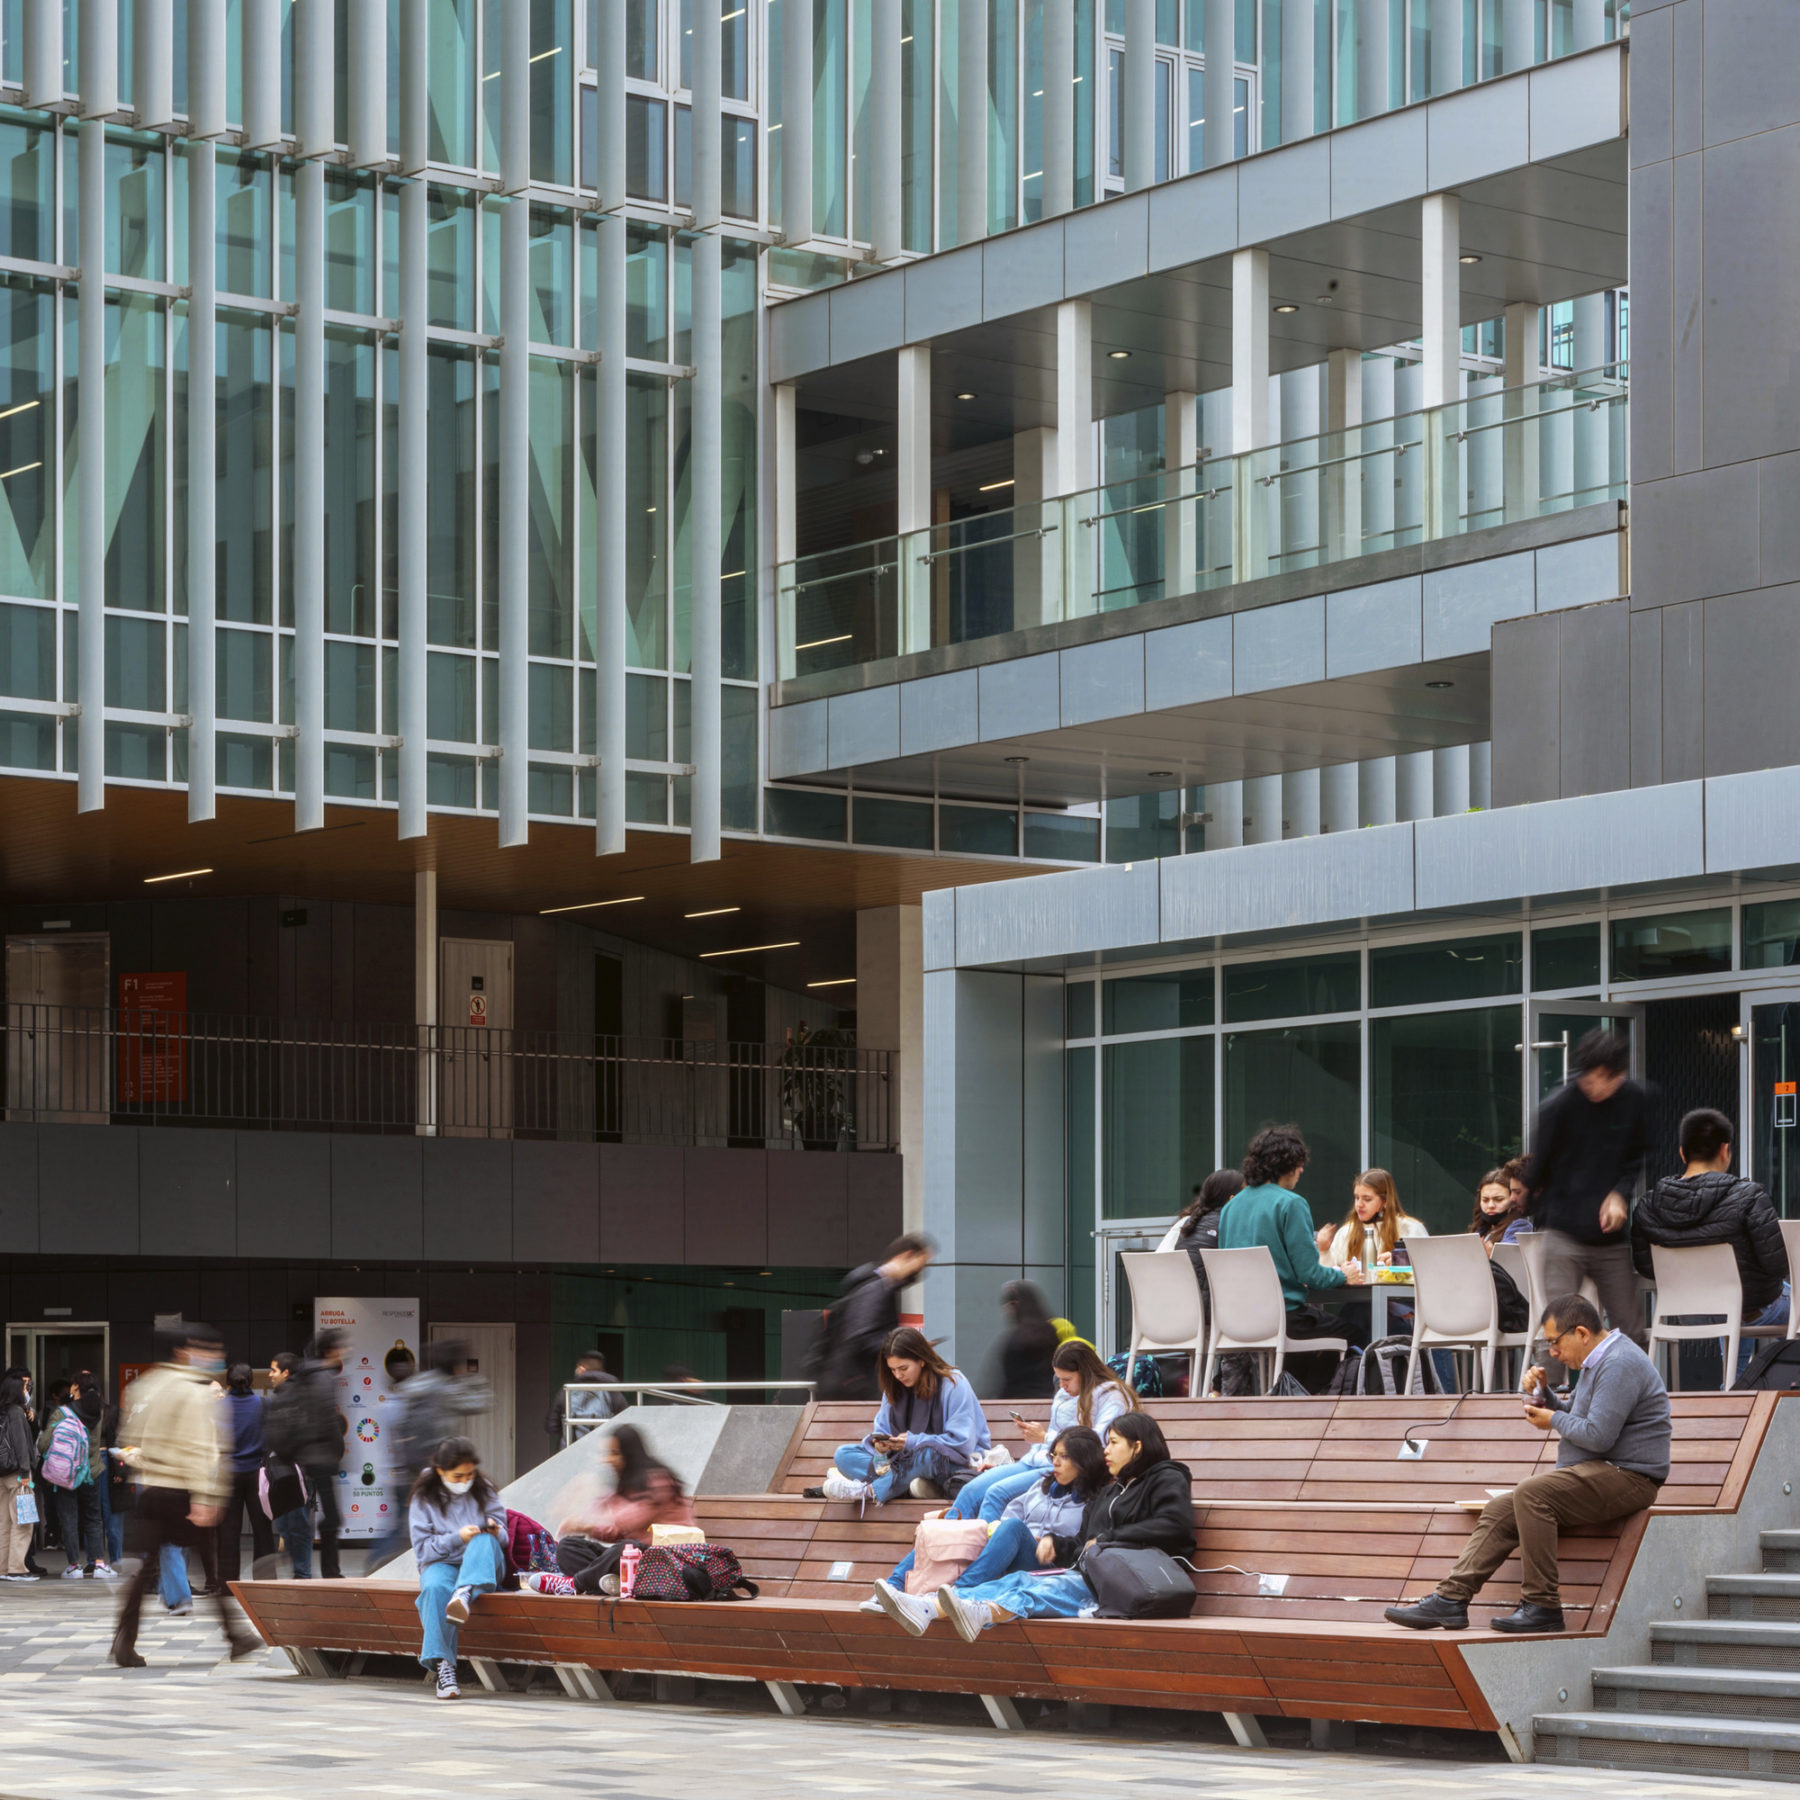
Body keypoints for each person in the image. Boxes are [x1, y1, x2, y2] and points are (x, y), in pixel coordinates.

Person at [1386, 1292, 1670, 1634]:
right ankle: (1451, 1600)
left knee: (1532, 1493)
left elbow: (1597, 1436)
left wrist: (1550, 1420)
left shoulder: (1619, 1363)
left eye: (1554, 1342)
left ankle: (1542, 1605)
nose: (1552, 1352)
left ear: (1581, 1333)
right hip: (1601, 1471)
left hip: (1630, 1477)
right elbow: (1581, 1420)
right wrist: (1546, 1397)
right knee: (1500, 1508)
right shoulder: (1599, 1361)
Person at [934, 1412, 1196, 1639]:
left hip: (1133, 1583)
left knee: (1036, 1591)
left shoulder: (1167, 1477)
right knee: (1018, 1580)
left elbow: (1174, 1525)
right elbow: (1083, 1545)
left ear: (1137, 1447)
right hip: (1093, 1575)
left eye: (1114, 1443)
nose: (1106, 1450)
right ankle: (931, 1606)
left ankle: (980, 1612)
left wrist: (1109, 1538)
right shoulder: (1111, 1492)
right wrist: (1055, 1543)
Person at [111, 1322, 258, 1667]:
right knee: (211, 1560)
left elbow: (131, 1438)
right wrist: (208, 1495)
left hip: (150, 1489)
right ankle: (235, 1636)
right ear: (184, 1351)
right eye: (207, 1350)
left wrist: (142, 1464)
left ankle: (123, 1640)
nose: (213, 1357)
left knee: (144, 1570)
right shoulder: (195, 1392)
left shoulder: (144, 1386)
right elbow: (200, 1448)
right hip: (182, 1492)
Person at [870, 1427, 1109, 1634]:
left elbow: (1081, 1546)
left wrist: (1050, 1541)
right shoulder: (1043, 1485)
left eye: (1064, 1457)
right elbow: (1011, 1514)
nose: (1055, 1462)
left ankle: (955, 1593)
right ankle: (892, 1586)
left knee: (1013, 1528)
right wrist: (998, 1531)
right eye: (1053, 1454)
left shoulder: (1095, 1501)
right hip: (1013, 1549)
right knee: (950, 1530)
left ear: (1084, 1460)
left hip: (1049, 1566)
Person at [1631, 1107, 1789, 1375]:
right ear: (1725, 1150)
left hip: (1690, 1311)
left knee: (1735, 1299)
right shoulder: (1748, 1196)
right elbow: (1776, 1264)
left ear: (1682, 1152)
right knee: (1755, 1298)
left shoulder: (1648, 1205)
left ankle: (1733, 1390)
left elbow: (1647, 1268)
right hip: (1749, 1309)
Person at [1525, 1030, 1650, 1351]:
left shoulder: (1635, 1100)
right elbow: (1539, 1167)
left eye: (1607, 1080)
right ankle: (1544, 1396)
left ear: (1620, 1075)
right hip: (1564, 1230)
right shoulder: (1559, 1106)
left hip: (1610, 1237)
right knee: (1560, 1327)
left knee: (1629, 1327)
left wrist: (1620, 1193)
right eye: (1590, 1079)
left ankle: (1633, 1394)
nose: (1597, 1088)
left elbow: (1636, 1157)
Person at [1217, 1125, 1365, 1370]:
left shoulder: (1231, 1208)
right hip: (1284, 1320)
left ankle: (1289, 1391)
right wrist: (1342, 1275)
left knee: (1313, 1338)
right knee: (1356, 1333)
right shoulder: (1291, 1204)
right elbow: (1309, 1274)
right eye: (1298, 1162)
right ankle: (1309, 1397)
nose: (1302, 1169)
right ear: (1285, 1164)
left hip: (1238, 1321)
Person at [825, 1328, 991, 1505]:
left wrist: (911, 1442)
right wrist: (882, 1446)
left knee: (927, 1455)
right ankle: (911, 1486)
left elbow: (962, 1443)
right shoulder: (893, 1388)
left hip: (951, 1463)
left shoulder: (953, 1382)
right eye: (893, 1370)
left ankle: (869, 1490)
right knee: (843, 1454)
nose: (898, 1375)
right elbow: (881, 1432)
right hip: (902, 1463)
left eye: (903, 1368)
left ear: (921, 1360)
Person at [409, 1435, 507, 1701]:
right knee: (434, 1588)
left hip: (483, 1563)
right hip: (442, 1562)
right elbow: (423, 1550)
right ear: (441, 1471)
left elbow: (504, 1535)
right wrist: (457, 1537)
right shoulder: (424, 1496)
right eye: (457, 1476)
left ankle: (463, 1591)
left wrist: (495, 1531)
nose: (465, 1481)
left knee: (484, 1540)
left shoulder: (483, 1487)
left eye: (469, 1474)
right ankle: (444, 1667)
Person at [810, 1233, 937, 1401]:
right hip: (855, 1388)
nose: (919, 1273)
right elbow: (863, 1337)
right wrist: (908, 1347)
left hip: (852, 1384)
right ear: (907, 1256)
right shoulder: (877, 1289)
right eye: (921, 1265)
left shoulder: (878, 1286)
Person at [554, 1423, 697, 1543]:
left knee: (622, 1550)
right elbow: (617, 1532)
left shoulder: (658, 1480)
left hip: (666, 1558)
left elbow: (627, 1521)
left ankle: (594, 1573)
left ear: (629, 1453)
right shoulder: (630, 1482)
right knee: (570, 1547)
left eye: (614, 1453)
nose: (607, 1459)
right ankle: (600, 1573)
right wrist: (586, 1527)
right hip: (633, 1554)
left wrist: (584, 1518)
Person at [285, 1330, 349, 1579]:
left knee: (301, 1516)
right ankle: (331, 1572)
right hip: (320, 1458)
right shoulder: (323, 1378)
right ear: (330, 1350)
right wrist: (337, 1451)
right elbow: (328, 1421)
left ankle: (302, 1571)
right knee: (331, 1517)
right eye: (340, 1347)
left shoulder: (301, 1375)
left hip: (300, 1458)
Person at [37, 1384, 106, 1578]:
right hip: (91, 1473)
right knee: (93, 1518)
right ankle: (99, 1564)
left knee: (68, 1518)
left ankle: (74, 1566)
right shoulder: (97, 1412)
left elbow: (43, 1444)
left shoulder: (62, 1413)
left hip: (66, 1474)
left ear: (77, 1391)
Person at [216, 1365, 274, 1585]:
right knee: (263, 1529)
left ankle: (227, 1582)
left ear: (228, 1383)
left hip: (228, 1473)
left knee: (228, 1531)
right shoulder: (263, 1405)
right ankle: (265, 1580)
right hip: (257, 1473)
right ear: (251, 1381)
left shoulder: (219, 1406)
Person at [262, 1351, 317, 1578]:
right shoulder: (287, 1396)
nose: (269, 1374)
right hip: (287, 1469)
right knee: (288, 1524)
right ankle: (299, 1570)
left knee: (296, 1525)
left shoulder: (294, 1398)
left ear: (285, 1372)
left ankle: (302, 1574)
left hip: (296, 1470)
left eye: (273, 1370)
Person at [1318, 1167, 1428, 1271]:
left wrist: (1401, 1260)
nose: (1359, 1204)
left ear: (1385, 1201)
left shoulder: (1410, 1229)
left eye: (1367, 1199)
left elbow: (1428, 1267)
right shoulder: (1346, 1232)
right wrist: (1324, 1250)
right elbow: (1327, 1276)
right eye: (1357, 1198)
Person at [1157, 1170, 1245, 1289]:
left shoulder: (1187, 1222)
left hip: (1178, 1298)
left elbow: (1159, 1262)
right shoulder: (1231, 1224)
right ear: (1232, 1199)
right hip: (1214, 1303)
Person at [993, 1281, 1059, 1399]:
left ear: (1015, 1305)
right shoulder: (1051, 1332)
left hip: (1018, 1401)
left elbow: (1008, 1380)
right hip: (1049, 1399)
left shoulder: (1016, 1339)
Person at [0, 1375, 37, 1582]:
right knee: (23, 1522)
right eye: (24, 1387)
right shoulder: (15, 1413)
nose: (27, 1389)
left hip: (1, 1475)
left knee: (4, 1523)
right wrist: (25, 1473)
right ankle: (17, 1569)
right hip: (17, 1475)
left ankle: (3, 1568)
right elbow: (21, 1444)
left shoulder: (3, 1411)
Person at [545, 1350, 620, 1449]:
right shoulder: (612, 1392)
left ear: (581, 1369)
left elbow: (551, 1426)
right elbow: (622, 1423)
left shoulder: (567, 1392)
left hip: (570, 1453)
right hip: (601, 1452)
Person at [1470, 1166, 1531, 1249]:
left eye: (1499, 1199)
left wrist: (1491, 1254)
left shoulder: (1521, 1226)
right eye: (1485, 1200)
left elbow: (1508, 1259)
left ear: (1512, 1200)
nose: (1491, 1205)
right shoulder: (1482, 1229)